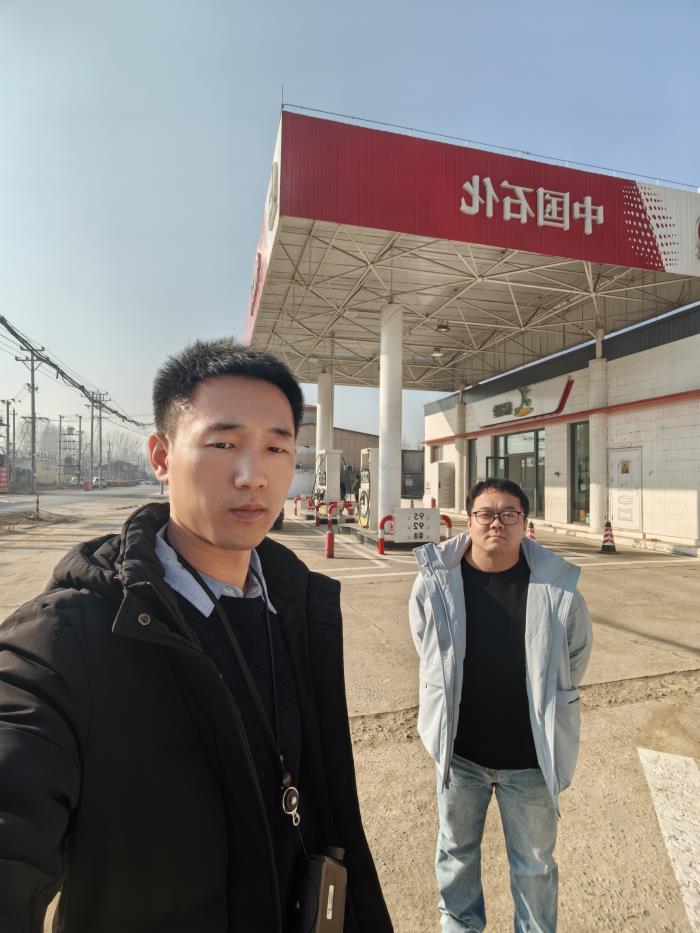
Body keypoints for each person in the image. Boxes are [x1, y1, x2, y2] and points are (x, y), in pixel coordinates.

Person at [0, 339, 393, 933]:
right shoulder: (65, 640)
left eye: (276, 448)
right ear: (161, 456)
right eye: (223, 444)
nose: (253, 476)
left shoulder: (295, 607)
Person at [409, 478, 592, 932]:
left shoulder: (557, 587)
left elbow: (575, 656)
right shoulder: (436, 582)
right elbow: (426, 646)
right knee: (455, 855)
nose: (497, 523)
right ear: (468, 521)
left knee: (535, 866)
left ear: (524, 523)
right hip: (461, 756)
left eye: (509, 514)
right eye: (486, 514)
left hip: (531, 761)